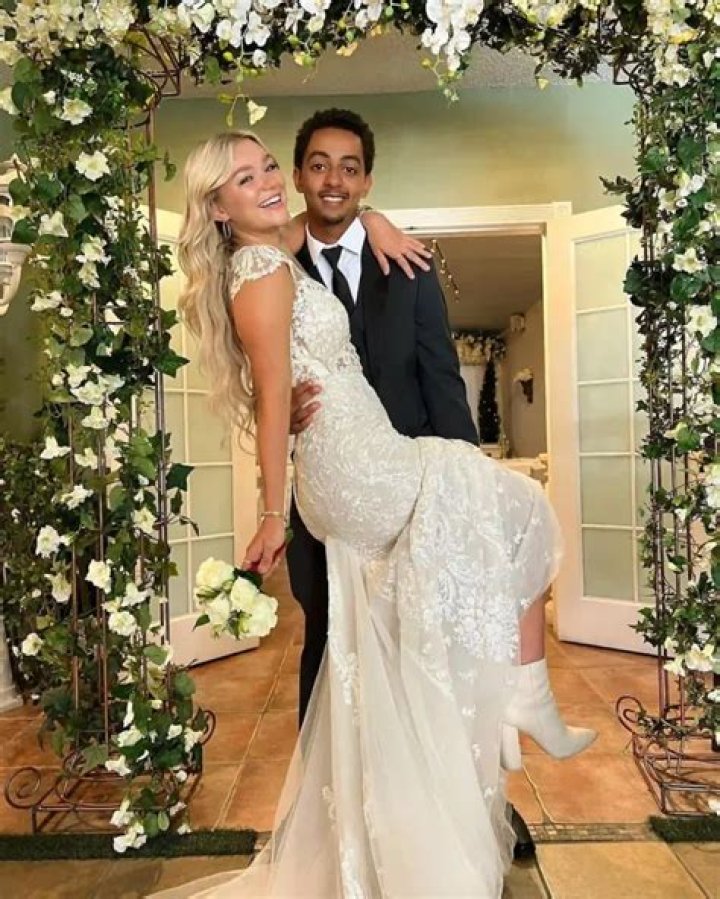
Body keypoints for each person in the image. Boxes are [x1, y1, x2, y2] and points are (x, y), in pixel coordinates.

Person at [157, 131, 596, 899]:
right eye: (247, 178)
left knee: (405, 644)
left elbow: (317, 233)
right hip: (352, 464)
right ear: (217, 207)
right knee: (521, 505)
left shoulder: (269, 248)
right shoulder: (261, 270)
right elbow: (272, 395)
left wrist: (377, 219)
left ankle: (413, 817)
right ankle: (524, 688)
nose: (269, 182)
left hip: (363, 453)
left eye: (266, 167)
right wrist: (271, 510)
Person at [286, 108, 536, 860]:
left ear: (368, 180)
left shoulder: (412, 266)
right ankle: (328, 816)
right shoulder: (272, 266)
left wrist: (466, 492)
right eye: (319, 165)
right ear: (298, 176)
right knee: (329, 650)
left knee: (435, 654)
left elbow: (442, 382)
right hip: (331, 503)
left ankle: (476, 807)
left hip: (417, 497)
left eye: (350, 167)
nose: (334, 180)